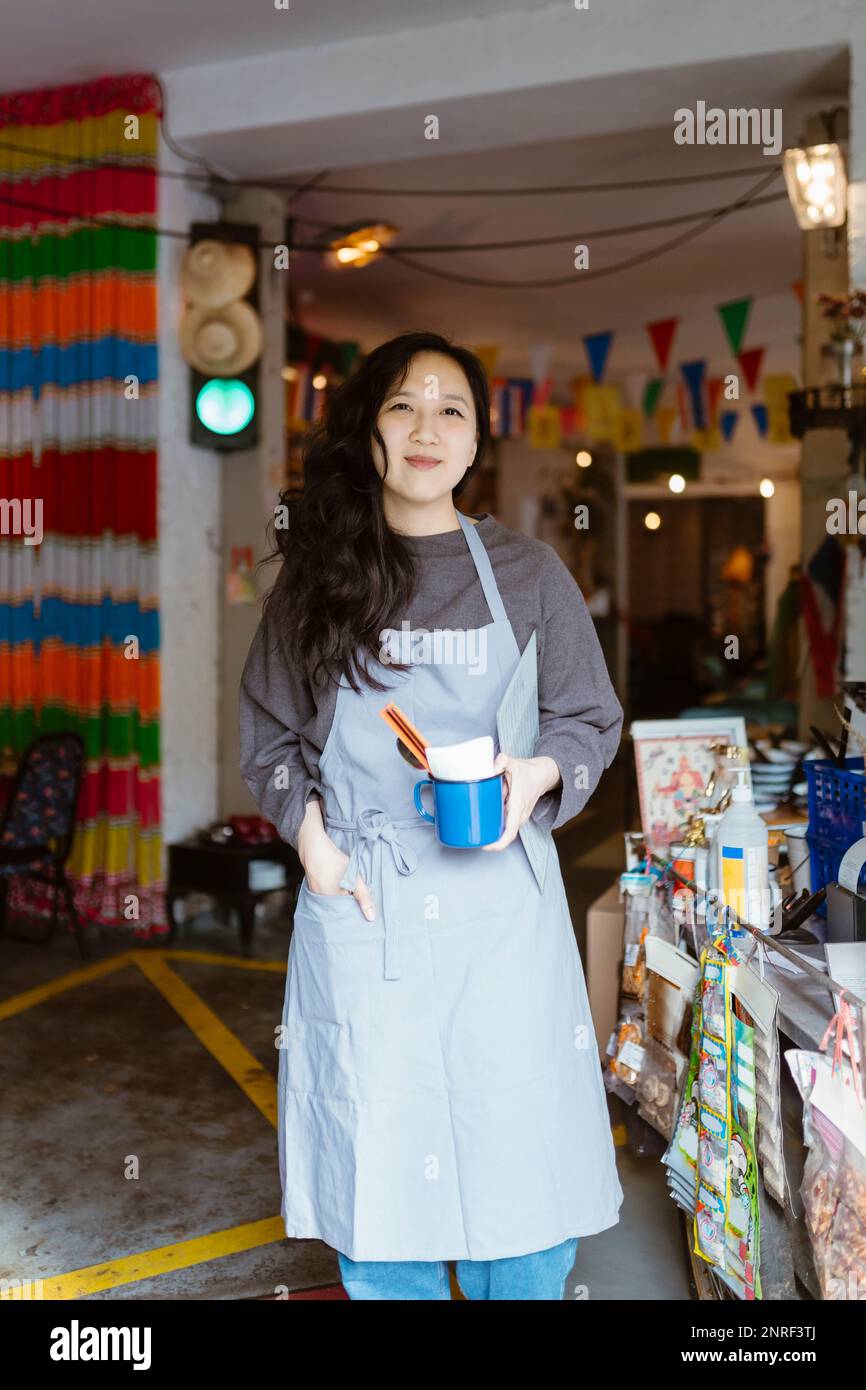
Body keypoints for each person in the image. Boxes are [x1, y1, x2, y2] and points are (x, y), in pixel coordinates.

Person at [239, 331, 624, 1300]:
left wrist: (534, 777)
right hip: (366, 901)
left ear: (475, 440)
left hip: (500, 903)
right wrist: (313, 844)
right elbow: (268, 736)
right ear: (369, 431)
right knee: (381, 1158)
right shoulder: (315, 579)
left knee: (517, 1158)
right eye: (402, 405)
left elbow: (588, 718)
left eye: (450, 407)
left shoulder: (527, 573)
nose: (426, 427)